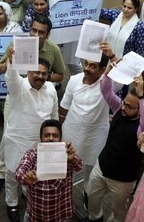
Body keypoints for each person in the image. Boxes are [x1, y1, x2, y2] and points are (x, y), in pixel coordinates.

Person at [0, 15, 66, 197]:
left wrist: (42, 76)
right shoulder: (18, 44)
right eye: (33, 30)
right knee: (8, 139)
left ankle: (26, 176)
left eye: (41, 32)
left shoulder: (53, 50)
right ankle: (3, 172)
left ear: (47, 35)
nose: (36, 34)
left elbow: (61, 76)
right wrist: (9, 62)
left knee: (35, 139)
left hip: (42, 93)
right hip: (18, 93)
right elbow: (0, 68)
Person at [84, 58, 144, 222]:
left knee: (118, 211)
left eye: (129, 106)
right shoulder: (119, 109)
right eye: (125, 103)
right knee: (91, 198)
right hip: (102, 166)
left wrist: (141, 95)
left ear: (139, 109)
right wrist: (108, 73)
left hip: (123, 180)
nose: (124, 107)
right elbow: (106, 91)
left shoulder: (141, 127)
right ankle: (95, 218)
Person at [2, 55, 59, 222]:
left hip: (39, 144)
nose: (40, 76)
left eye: (44, 73)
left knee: (34, 174)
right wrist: (12, 61)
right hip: (17, 140)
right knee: (12, 174)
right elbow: (11, 77)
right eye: (36, 72)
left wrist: (55, 140)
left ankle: (27, 193)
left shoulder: (51, 89)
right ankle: (11, 203)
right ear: (28, 71)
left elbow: (54, 116)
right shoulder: (18, 86)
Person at [59, 54, 110, 212]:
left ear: (103, 70)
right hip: (72, 131)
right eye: (86, 64)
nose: (87, 68)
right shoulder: (74, 80)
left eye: (93, 66)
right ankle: (63, 196)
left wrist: (112, 56)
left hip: (96, 136)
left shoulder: (108, 84)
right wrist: (58, 131)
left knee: (92, 168)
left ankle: (88, 192)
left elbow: (126, 71)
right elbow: (64, 107)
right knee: (66, 166)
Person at [15, 119, 83, 222]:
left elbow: (79, 167)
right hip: (35, 214)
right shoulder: (32, 154)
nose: (50, 138)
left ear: (60, 138)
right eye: (46, 135)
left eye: (55, 135)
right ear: (41, 138)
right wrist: (25, 177)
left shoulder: (67, 154)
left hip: (59, 214)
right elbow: (18, 173)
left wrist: (72, 159)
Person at [39, 0, 94, 75]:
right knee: (51, 62)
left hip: (73, 37)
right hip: (54, 35)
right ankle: (55, 84)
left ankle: (79, 84)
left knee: (74, 63)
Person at [99, 0, 144, 97]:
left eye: (129, 8)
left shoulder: (139, 27)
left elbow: (138, 52)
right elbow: (99, 12)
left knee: (116, 95)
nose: (125, 10)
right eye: (124, 6)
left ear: (136, 9)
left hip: (123, 65)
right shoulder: (116, 15)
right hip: (106, 60)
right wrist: (98, 0)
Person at [0, 1, 23, 124]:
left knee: (8, 87)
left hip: (9, 63)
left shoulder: (15, 28)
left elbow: (20, 45)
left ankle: (6, 112)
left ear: (6, 15)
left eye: (0, 13)